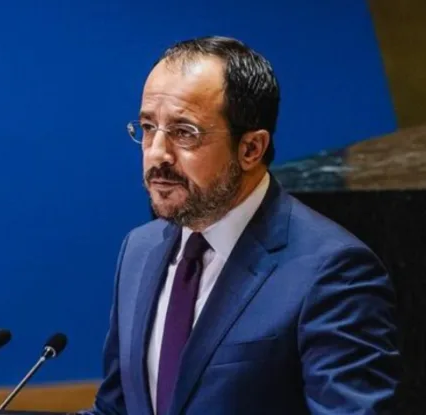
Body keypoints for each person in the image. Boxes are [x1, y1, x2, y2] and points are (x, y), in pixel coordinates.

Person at [83, 36, 402, 415]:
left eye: (184, 133)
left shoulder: (335, 273)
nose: (157, 154)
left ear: (251, 149)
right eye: (149, 127)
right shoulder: (139, 249)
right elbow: (116, 409)